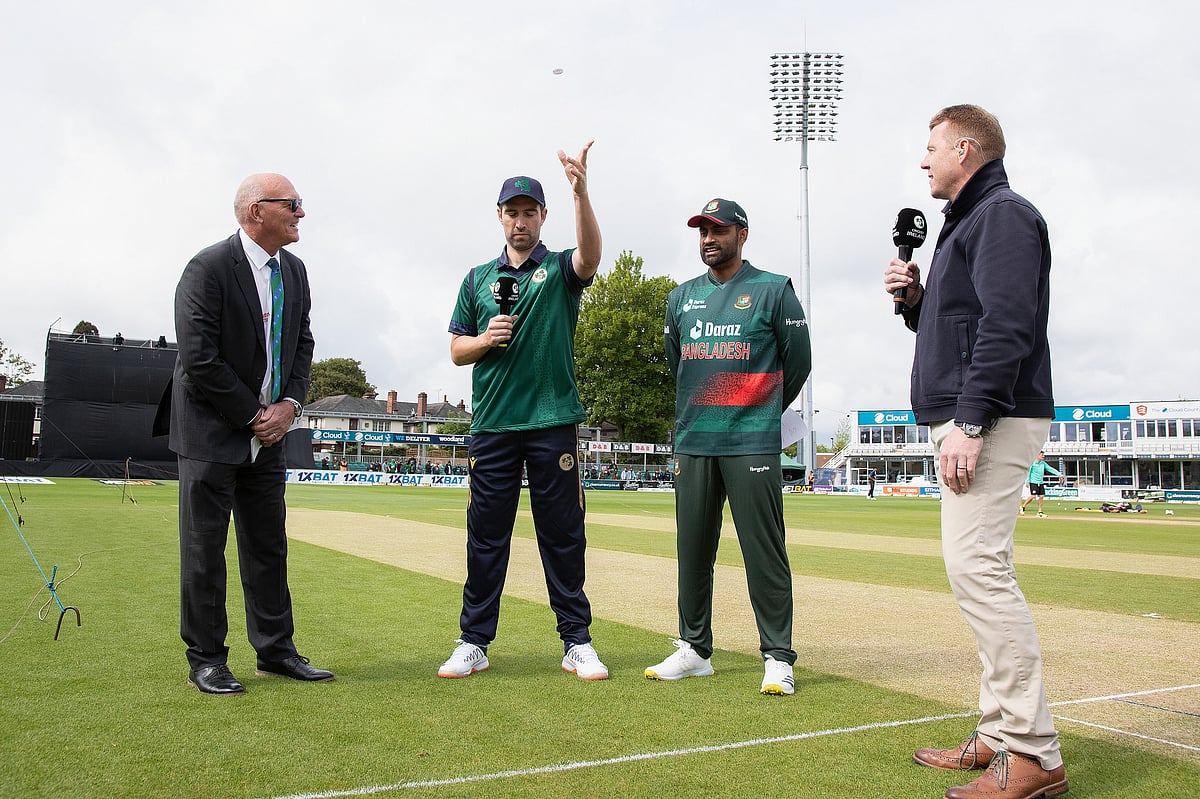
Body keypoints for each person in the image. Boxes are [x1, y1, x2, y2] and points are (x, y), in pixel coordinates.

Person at [884, 106, 1067, 798]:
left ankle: (1033, 751)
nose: (923, 161)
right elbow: (964, 320)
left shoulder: (1004, 215)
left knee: (978, 573)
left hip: (990, 419)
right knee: (981, 571)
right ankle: (998, 730)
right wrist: (916, 302)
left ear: (965, 148)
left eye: (930, 148)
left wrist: (971, 418)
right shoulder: (970, 220)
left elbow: (1008, 324)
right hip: (977, 415)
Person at [154, 173, 332, 695]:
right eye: (293, 204)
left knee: (268, 545)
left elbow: (302, 345)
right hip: (212, 432)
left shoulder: (294, 272)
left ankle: (275, 651)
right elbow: (199, 358)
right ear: (257, 211)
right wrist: (253, 416)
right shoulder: (207, 268)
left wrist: (290, 406)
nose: (301, 212)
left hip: (270, 434)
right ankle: (206, 659)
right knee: (205, 549)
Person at [441, 142, 607, 681]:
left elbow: (591, 256)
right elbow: (455, 350)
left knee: (562, 535)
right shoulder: (475, 280)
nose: (519, 221)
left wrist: (581, 192)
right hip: (492, 426)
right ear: (499, 217)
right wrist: (485, 338)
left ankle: (576, 641)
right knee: (486, 536)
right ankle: (474, 641)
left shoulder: (559, 270)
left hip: (552, 420)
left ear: (541, 216)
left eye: (528, 212)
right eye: (511, 212)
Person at [647, 198, 811, 696]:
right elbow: (681, 361)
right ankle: (694, 650)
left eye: (718, 230)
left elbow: (797, 363)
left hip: (752, 440)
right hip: (695, 440)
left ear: (743, 234)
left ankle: (778, 656)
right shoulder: (680, 298)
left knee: (764, 550)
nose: (708, 239)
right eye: (702, 231)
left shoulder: (774, 290)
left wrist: (758, 409)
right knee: (692, 549)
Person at [1019, 451, 1061, 517]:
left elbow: (1050, 469)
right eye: (1042, 455)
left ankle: (1040, 512)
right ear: (1037, 455)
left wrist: (1059, 474)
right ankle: (1023, 507)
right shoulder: (1032, 463)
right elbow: (1028, 472)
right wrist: (1027, 481)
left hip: (1040, 482)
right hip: (1033, 482)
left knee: (1041, 496)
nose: (1043, 456)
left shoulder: (1043, 463)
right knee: (1033, 496)